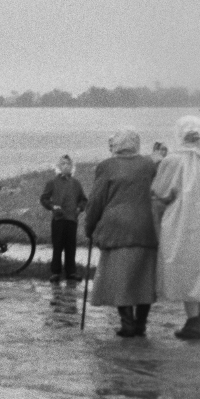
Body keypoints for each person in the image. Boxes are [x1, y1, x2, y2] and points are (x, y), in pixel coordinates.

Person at [83, 129, 158, 338]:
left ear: (116, 145)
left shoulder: (107, 166)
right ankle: (140, 325)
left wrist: (89, 227)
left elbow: (96, 201)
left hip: (116, 228)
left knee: (119, 276)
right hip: (146, 226)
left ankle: (127, 324)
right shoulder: (149, 165)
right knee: (144, 278)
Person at [151, 115, 200, 340]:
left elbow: (161, 192)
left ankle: (193, 321)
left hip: (182, 222)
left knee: (186, 267)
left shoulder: (174, 161)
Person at [40, 155, 88, 282]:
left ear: (72, 167)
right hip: (58, 219)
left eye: (68, 164)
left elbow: (83, 199)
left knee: (71, 246)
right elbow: (44, 198)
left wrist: (79, 208)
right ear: (58, 167)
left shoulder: (76, 183)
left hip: (72, 218)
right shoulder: (52, 182)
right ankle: (55, 272)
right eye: (63, 164)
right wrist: (52, 206)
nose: (66, 166)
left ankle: (71, 271)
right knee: (58, 245)